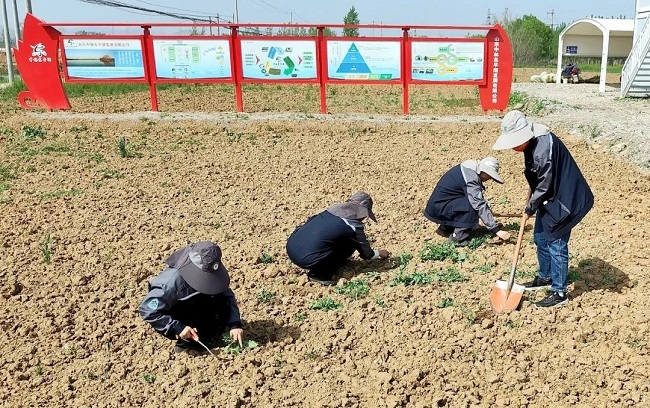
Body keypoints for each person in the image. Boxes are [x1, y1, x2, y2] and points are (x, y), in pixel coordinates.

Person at [493, 110, 593, 308]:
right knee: (540, 237)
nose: (513, 146)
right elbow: (538, 178)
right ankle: (545, 277)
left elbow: (544, 184)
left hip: (566, 199)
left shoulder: (542, 150)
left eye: (514, 141)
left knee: (556, 242)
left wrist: (529, 208)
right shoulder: (532, 142)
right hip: (549, 198)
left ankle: (559, 292)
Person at [138, 241, 244, 353]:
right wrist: (178, 327)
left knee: (218, 301)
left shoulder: (212, 267)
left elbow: (226, 294)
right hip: (179, 313)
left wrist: (235, 323)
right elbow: (147, 310)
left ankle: (212, 328)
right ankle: (188, 343)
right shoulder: (169, 284)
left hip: (196, 304)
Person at [286, 191, 390, 286]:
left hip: (291, 246)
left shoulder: (332, 210)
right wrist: (380, 253)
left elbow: (310, 222)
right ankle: (319, 274)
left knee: (337, 238)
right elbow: (367, 254)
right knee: (351, 243)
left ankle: (332, 262)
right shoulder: (353, 226)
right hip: (305, 259)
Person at [424, 157, 511, 246]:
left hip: (439, 206)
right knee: (471, 207)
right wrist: (496, 230)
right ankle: (457, 238)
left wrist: (487, 213)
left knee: (467, 202)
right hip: (440, 208)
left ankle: (445, 228)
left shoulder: (469, 168)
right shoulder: (471, 178)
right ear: (484, 171)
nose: (489, 179)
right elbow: (478, 204)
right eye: (490, 176)